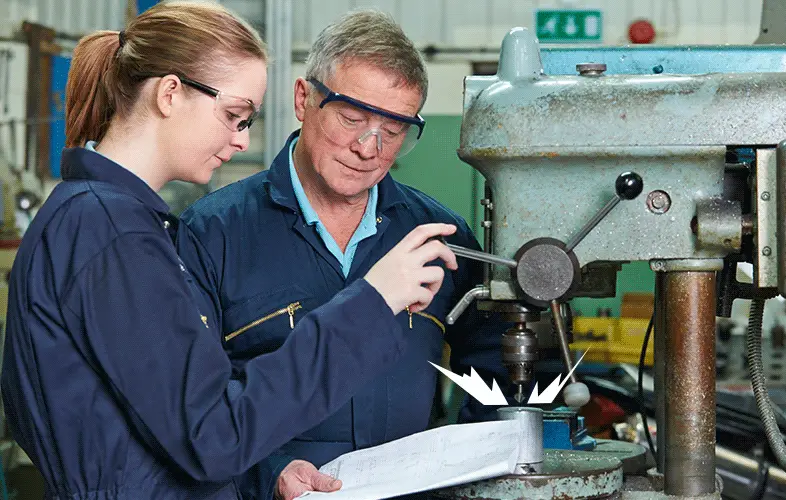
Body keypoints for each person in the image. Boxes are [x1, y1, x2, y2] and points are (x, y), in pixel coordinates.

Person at [0, 3, 460, 499]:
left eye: (392, 132)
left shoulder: (107, 220)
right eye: (234, 115)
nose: (242, 141)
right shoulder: (113, 233)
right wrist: (372, 302)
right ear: (170, 93)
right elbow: (215, 435)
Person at [176, 9, 509, 500]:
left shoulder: (437, 237)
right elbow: (188, 411)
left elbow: (496, 364)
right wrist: (267, 475)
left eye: (393, 131)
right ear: (303, 99)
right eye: (352, 119)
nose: (368, 147)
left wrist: (469, 460)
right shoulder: (212, 235)